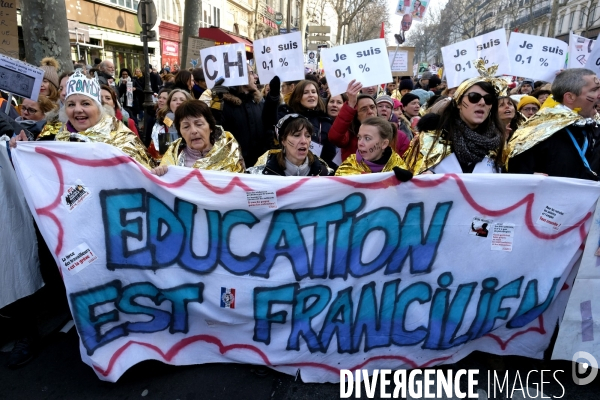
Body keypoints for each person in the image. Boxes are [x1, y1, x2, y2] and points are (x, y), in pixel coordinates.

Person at [10, 69, 153, 169]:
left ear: (99, 107)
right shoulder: (56, 137)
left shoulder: (121, 137)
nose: (78, 109)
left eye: (85, 103)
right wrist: (22, 149)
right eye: (71, 104)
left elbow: (146, 178)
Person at [404, 60, 506, 174]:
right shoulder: (430, 137)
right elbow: (407, 181)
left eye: (488, 99)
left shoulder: (497, 143)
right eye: (474, 97)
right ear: (459, 103)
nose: (482, 102)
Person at [507, 68, 600, 180]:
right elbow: (515, 175)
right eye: (594, 90)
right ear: (570, 97)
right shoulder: (537, 131)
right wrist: (527, 176)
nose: (599, 95)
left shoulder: (594, 128)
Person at [151, 100, 244, 175]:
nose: (193, 131)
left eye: (199, 124)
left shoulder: (230, 150)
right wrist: (160, 173)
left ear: (211, 127)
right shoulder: (173, 154)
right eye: (186, 127)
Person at [247, 114, 332, 176]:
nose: (304, 141)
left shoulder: (323, 172)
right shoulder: (262, 173)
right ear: (283, 140)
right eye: (297, 135)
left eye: (308, 136)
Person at [218, 65, 269, 167]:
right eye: (251, 73)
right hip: (236, 167)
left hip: (260, 165)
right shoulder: (223, 105)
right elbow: (217, 134)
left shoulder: (259, 102)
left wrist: (274, 98)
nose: (256, 76)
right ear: (240, 76)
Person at [335, 117, 411, 179]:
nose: (360, 143)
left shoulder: (398, 167)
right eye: (359, 137)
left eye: (367, 138)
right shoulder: (349, 166)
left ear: (384, 144)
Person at [328, 80, 379, 163]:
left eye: (372, 107)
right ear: (356, 115)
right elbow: (334, 137)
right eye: (364, 109)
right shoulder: (350, 135)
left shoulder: (389, 131)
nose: (370, 111)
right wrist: (351, 104)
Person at [151, 89, 192, 156]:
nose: (178, 102)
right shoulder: (166, 118)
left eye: (182, 100)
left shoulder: (196, 119)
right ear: (169, 104)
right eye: (174, 100)